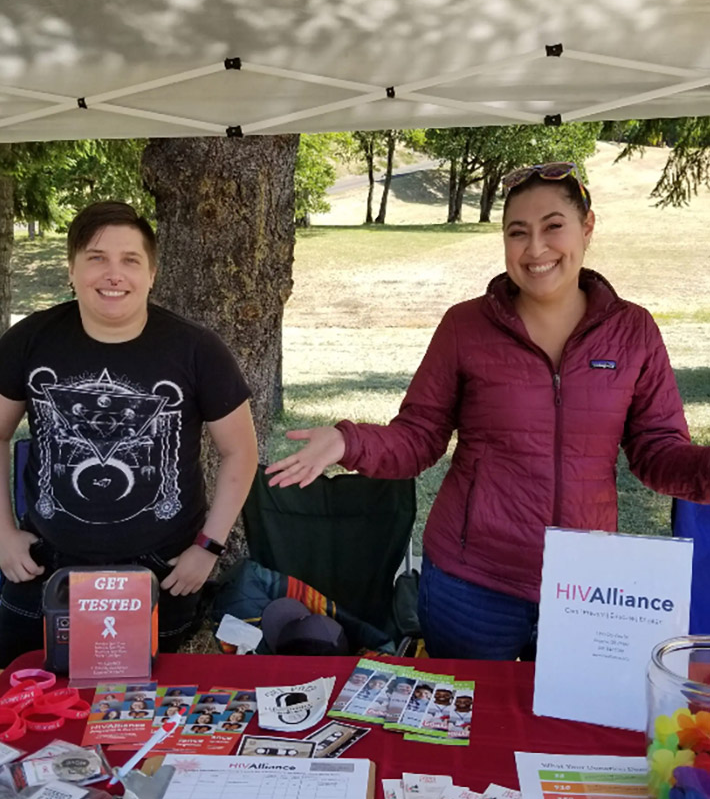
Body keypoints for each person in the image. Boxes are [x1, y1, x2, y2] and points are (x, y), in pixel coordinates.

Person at [265, 162, 710, 660]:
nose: (535, 248)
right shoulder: (465, 326)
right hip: (470, 582)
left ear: (586, 228)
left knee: (569, 731)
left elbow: (656, 451)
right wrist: (351, 442)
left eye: (553, 227)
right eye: (517, 232)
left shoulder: (633, 331)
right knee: (470, 727)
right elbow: (420, 436)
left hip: (587, 586)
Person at [0, 201, 258, 665]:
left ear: (152, 273)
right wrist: (1, 532)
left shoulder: (197, 349)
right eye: (96, 257)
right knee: (27, 696)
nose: (113, 274)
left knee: (145, 713)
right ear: (72, 269)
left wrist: (209, 547)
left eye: (130, 260)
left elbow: (240, 451)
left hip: (162, 569)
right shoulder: (29, 339)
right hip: (44, 564)